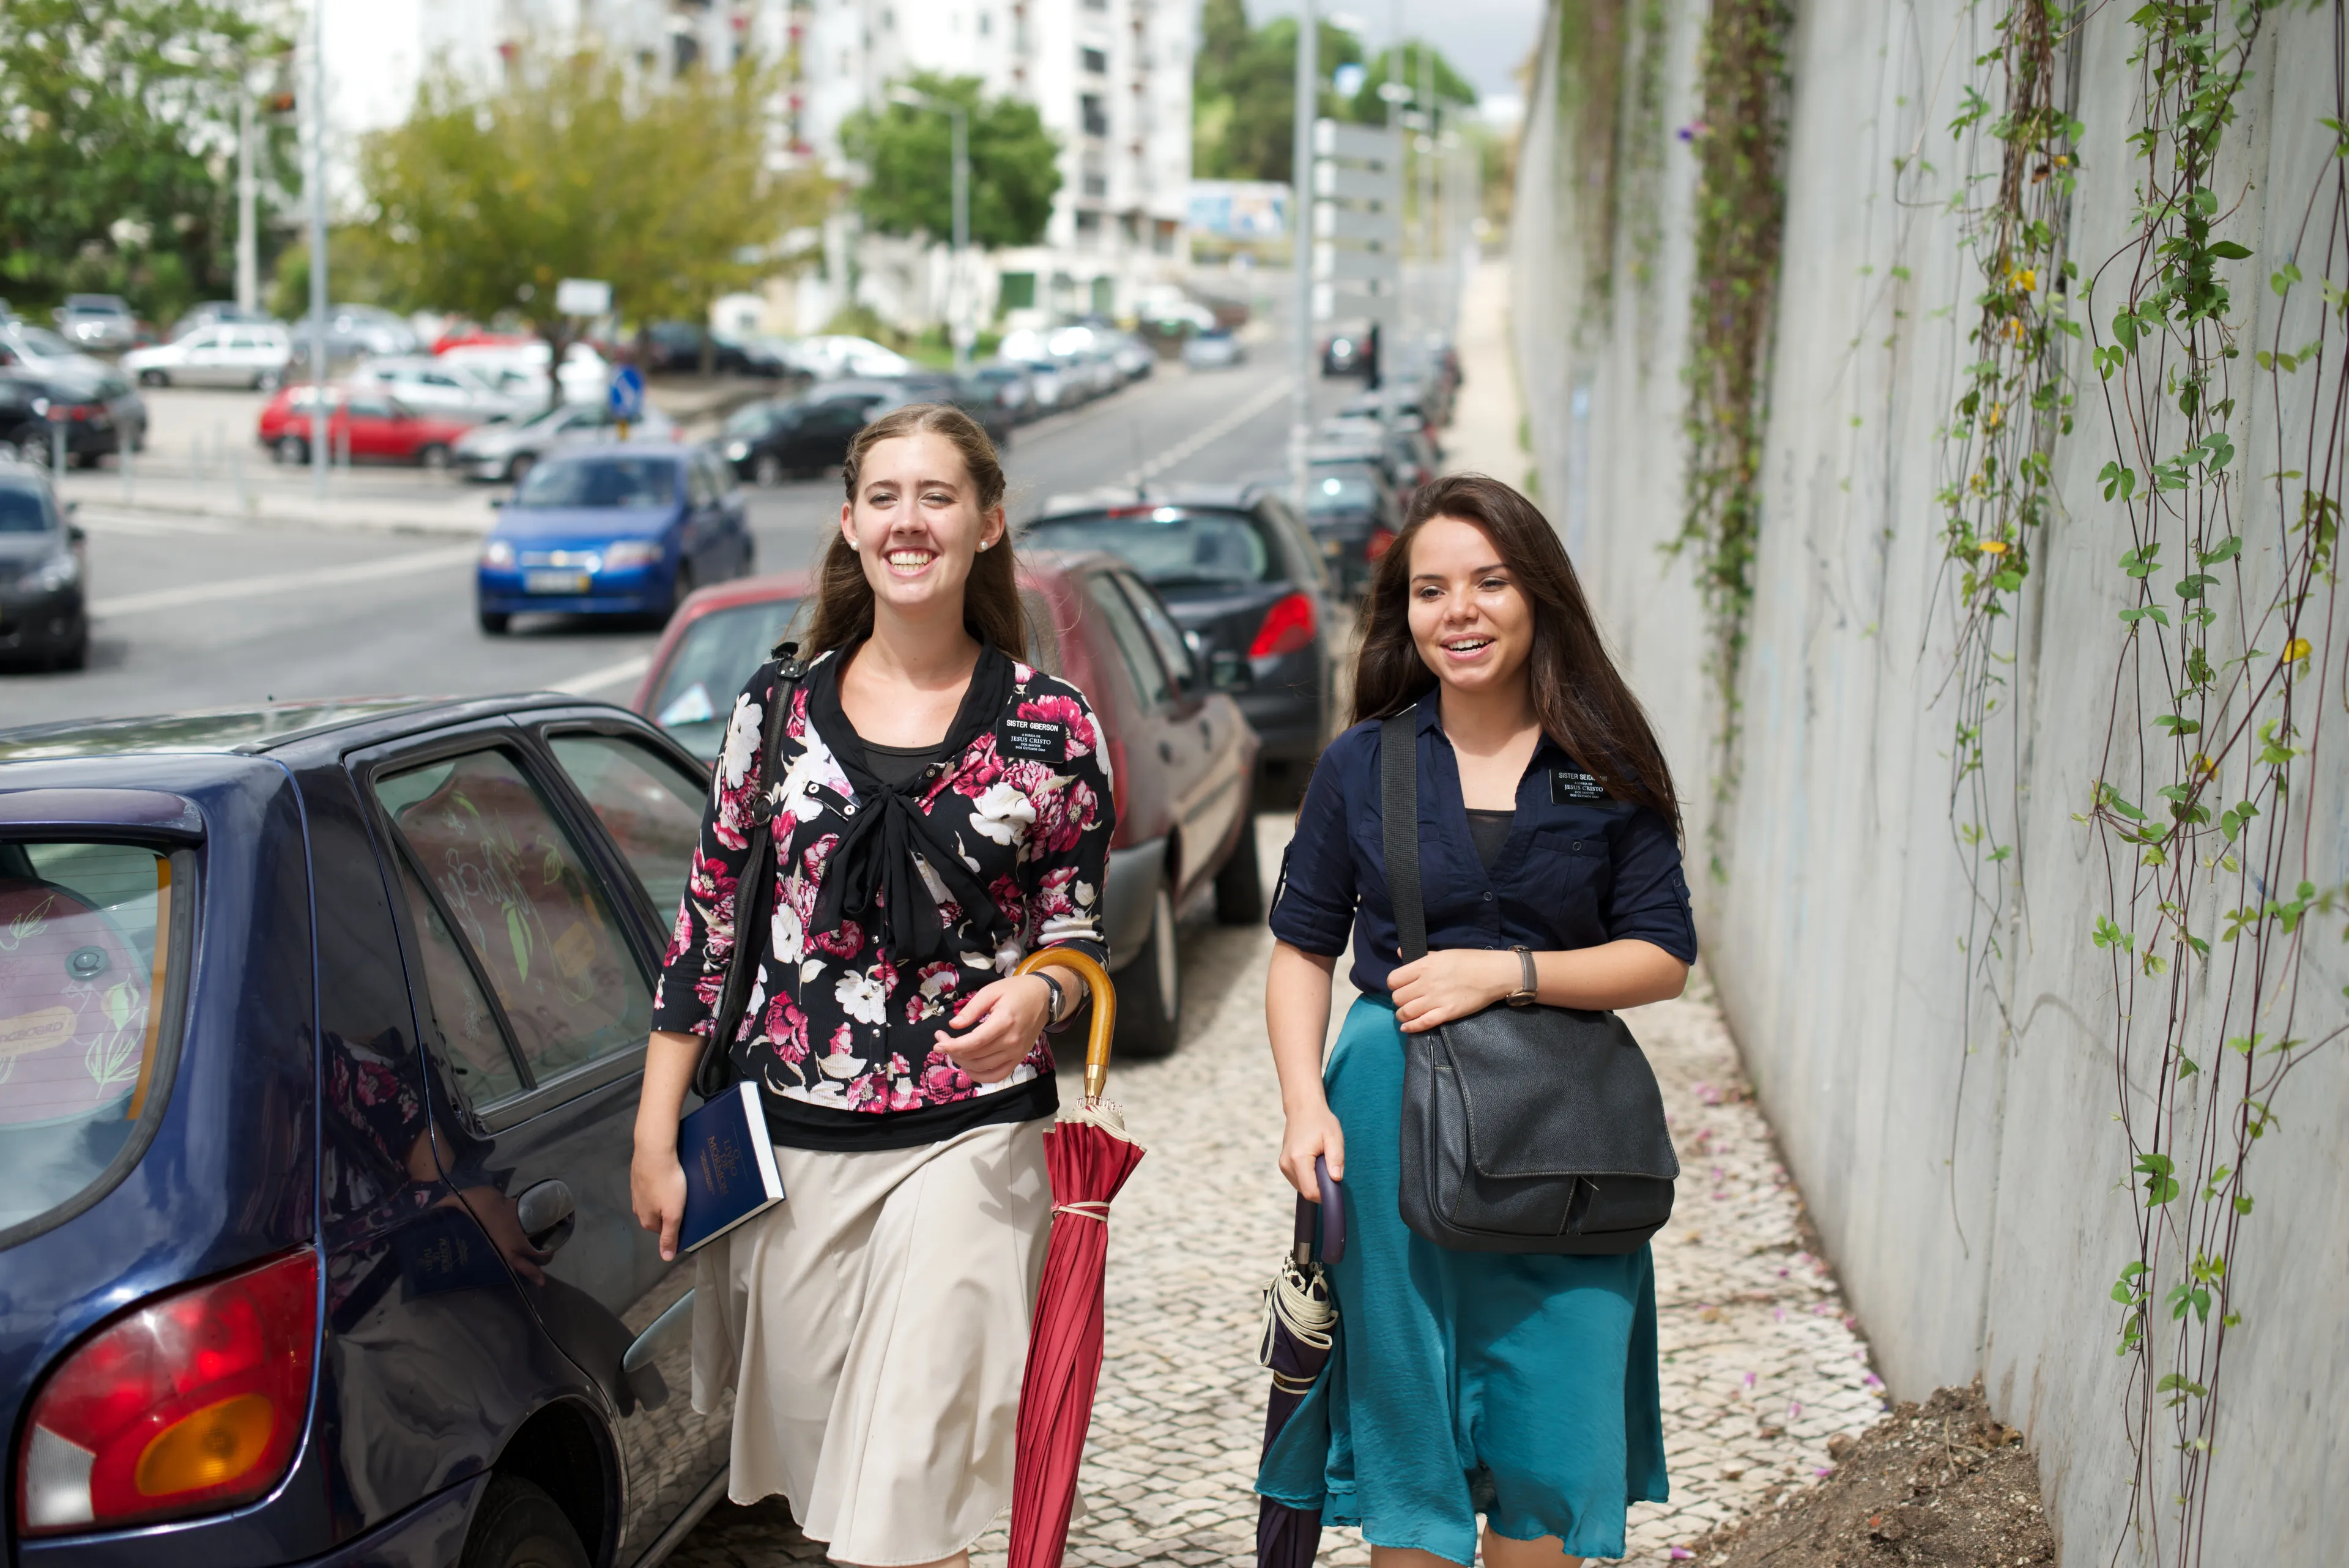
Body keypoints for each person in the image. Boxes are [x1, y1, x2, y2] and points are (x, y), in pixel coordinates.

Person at [629, 403, 1115, 1568]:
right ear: (848, 524)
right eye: (885, 497)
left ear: (988, 524)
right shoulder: (774, 710)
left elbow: (1077, 934)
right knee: (838, 1500)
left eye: (938, 496)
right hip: (794, 1149)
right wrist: (656, 1133)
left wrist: (1042, 999)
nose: (910, 520)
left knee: (906, 1486)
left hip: (972, 1137)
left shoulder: (1055, 727)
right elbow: (703, 923)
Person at [1255, 474, 1696, 1566]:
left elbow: (1663, 955)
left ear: (1538, 593)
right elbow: (1303, 947)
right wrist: (1304, 1105)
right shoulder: (1367, 761)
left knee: (1551, 1438)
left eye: (1489, 582)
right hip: (1386, 1122)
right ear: (1402, 611)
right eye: (1430, 589)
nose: (1459, 611)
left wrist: (1507, 975)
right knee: (1410, 1438)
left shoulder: (1605, 759)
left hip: (1568, 1135)